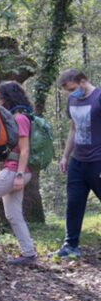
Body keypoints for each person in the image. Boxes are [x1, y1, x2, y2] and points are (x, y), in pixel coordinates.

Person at [0, 81, 37, 265]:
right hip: (15, 171)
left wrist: (19, 175)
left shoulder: (19, 119)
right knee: (14, 215)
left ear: (8, 98)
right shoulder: (17, 117)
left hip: (15, 171)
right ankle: (28, 254)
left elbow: (24, 150)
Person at [56, 69, 101, 259]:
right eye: (67, 91)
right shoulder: (72, 101)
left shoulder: (99, 97)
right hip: (78, 161)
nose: (71, 93)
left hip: (98, 160)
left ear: (83, 81)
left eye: (72, 89)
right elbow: (73, 129)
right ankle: (71, 245)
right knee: (74, 203)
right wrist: (66, 156)